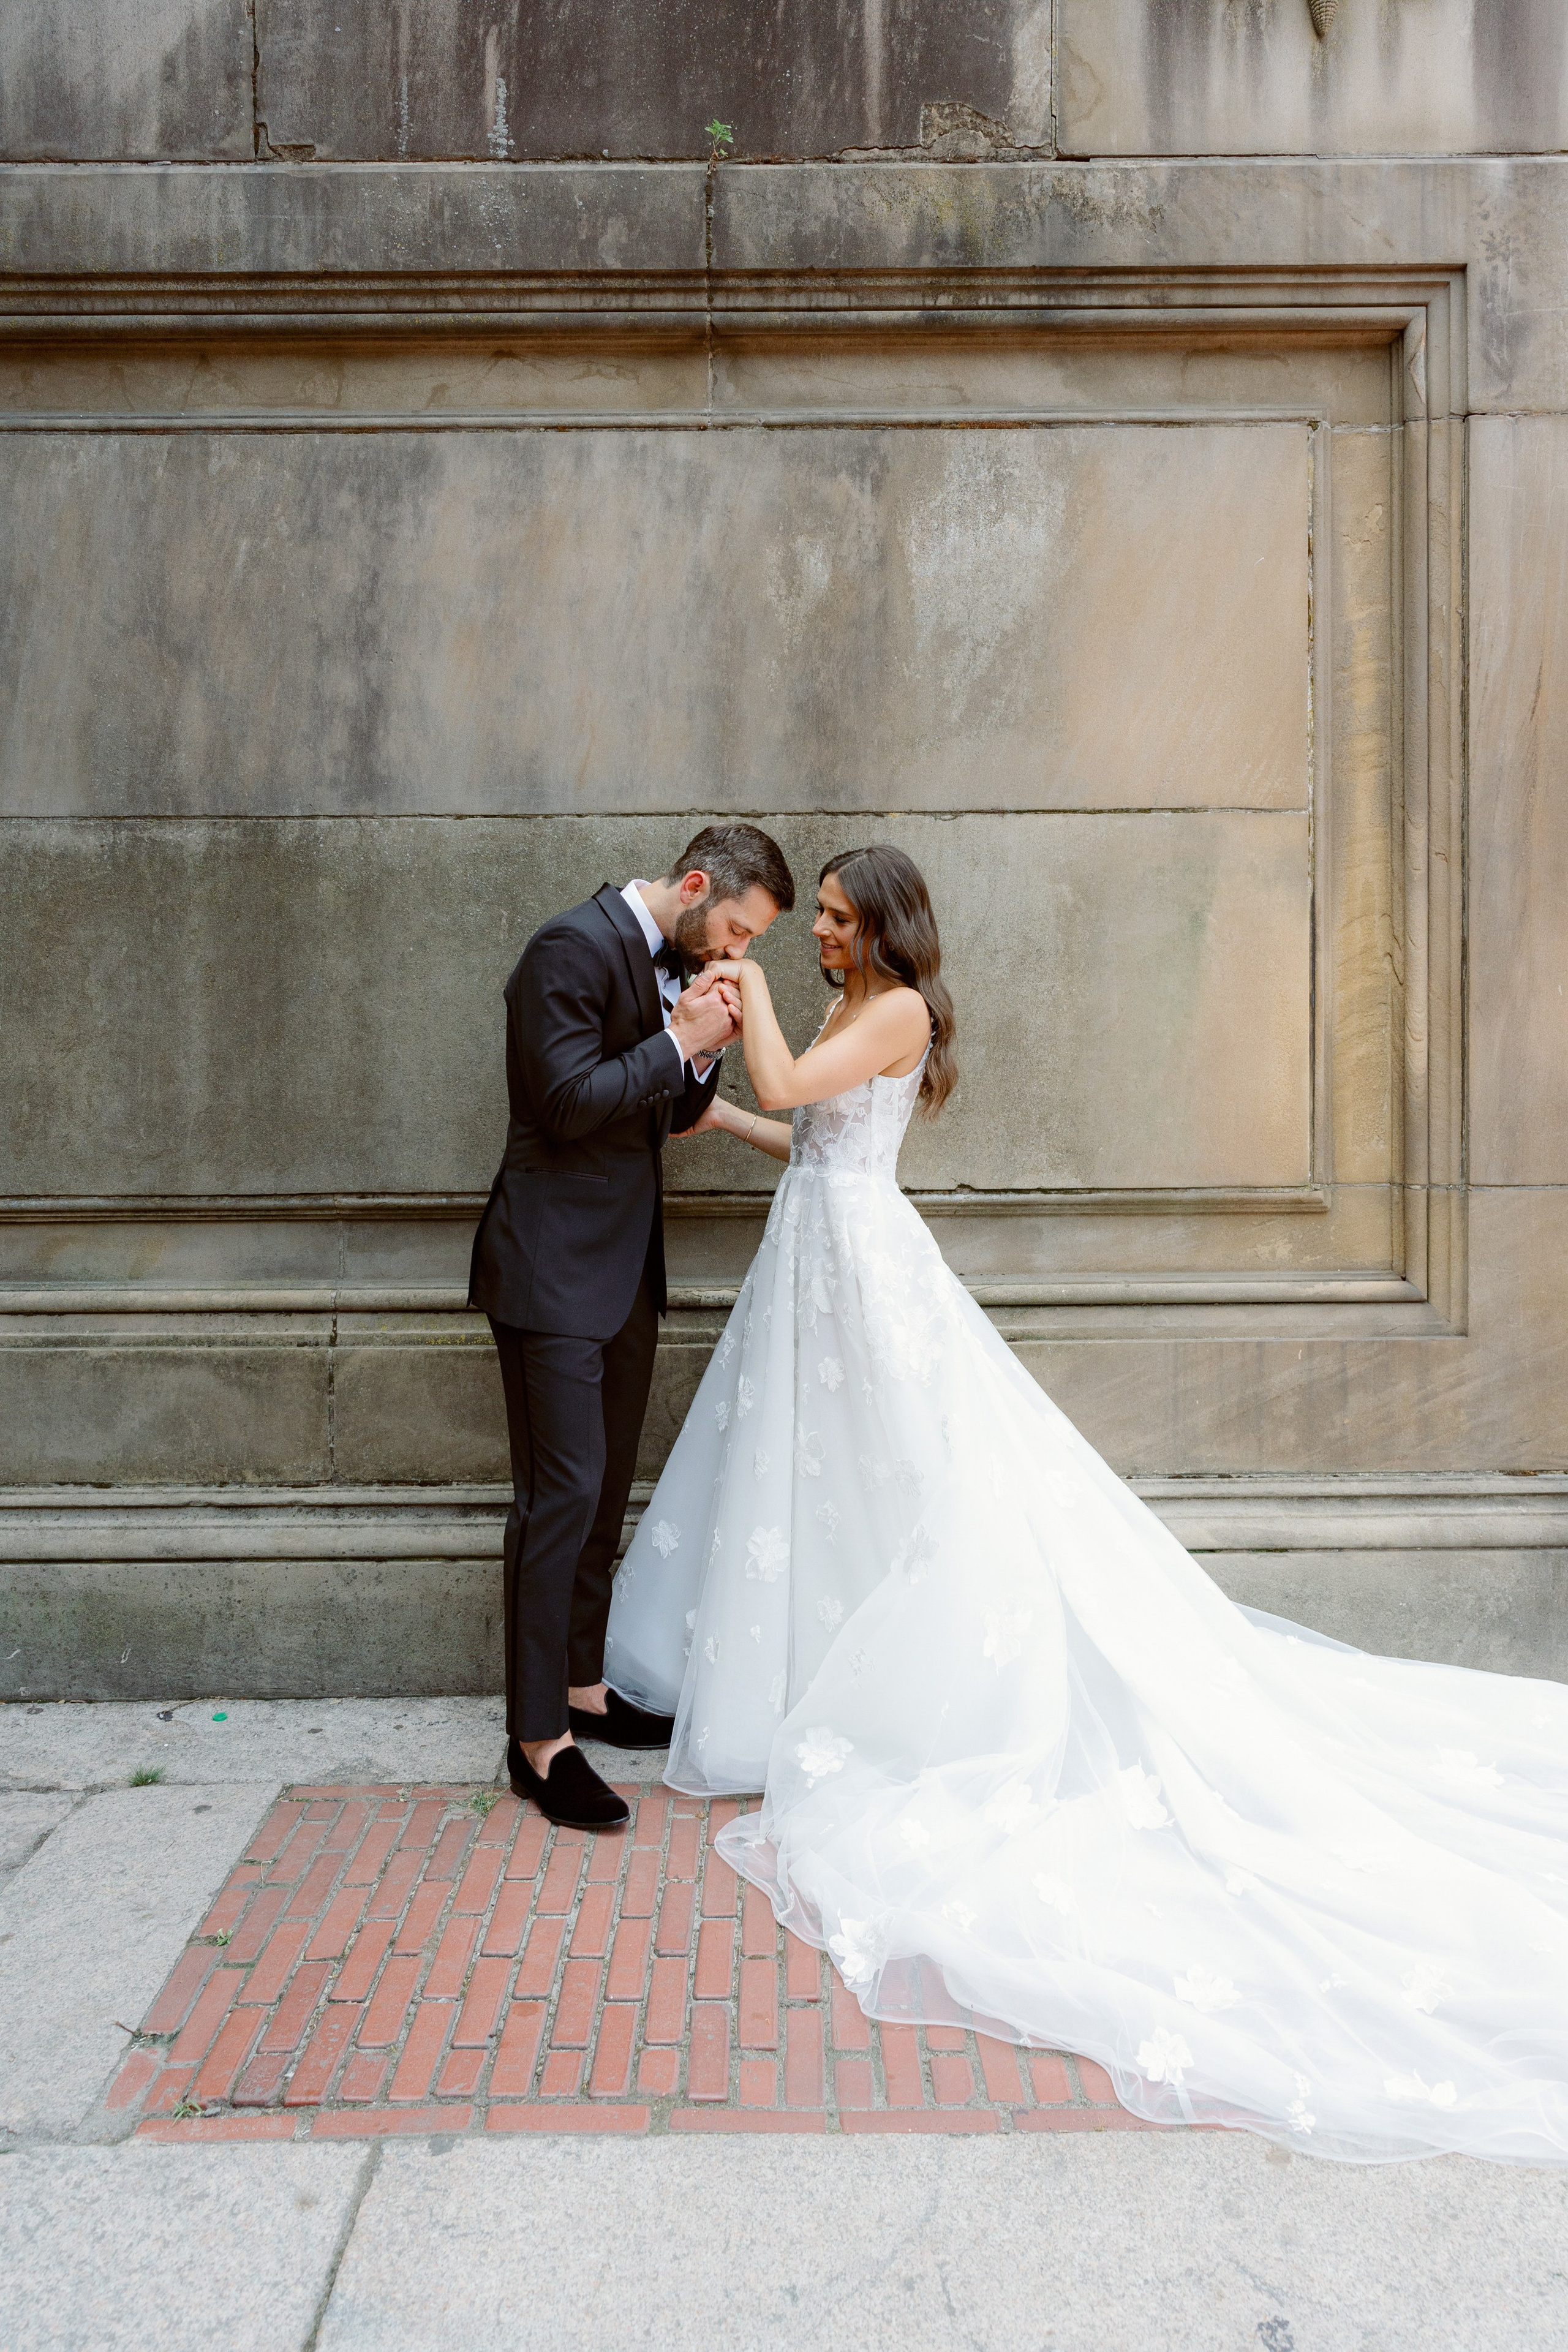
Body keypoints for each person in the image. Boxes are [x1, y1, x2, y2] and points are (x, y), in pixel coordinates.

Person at [606, 843, 1568, 2166]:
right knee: (831, 1493)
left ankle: (919, 1697)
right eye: (811, 921)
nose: (816, 936)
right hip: (818, 1257)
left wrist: (732, 983)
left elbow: (782, 1073)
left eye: (829, 919)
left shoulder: (895, 1009)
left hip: (869, 1275)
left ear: (879, 924)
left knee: (915, 1488)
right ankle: (812, 1682)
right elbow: (808, 1132)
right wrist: (720, 1119)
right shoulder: (848, 1010)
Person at [469, 823, 794, 1831]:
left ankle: (582, 1693)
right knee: (556, 1502)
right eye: (734, 930)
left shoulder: (679, 967)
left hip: (622, 1275)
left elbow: (662, 1112)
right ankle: (536, 1745)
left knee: (602, 1501)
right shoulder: (567, 949)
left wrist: (703, 1055)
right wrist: (680, 1041)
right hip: (550, 1272)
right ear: (696, 885)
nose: (734, 953)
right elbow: (564, 1103)